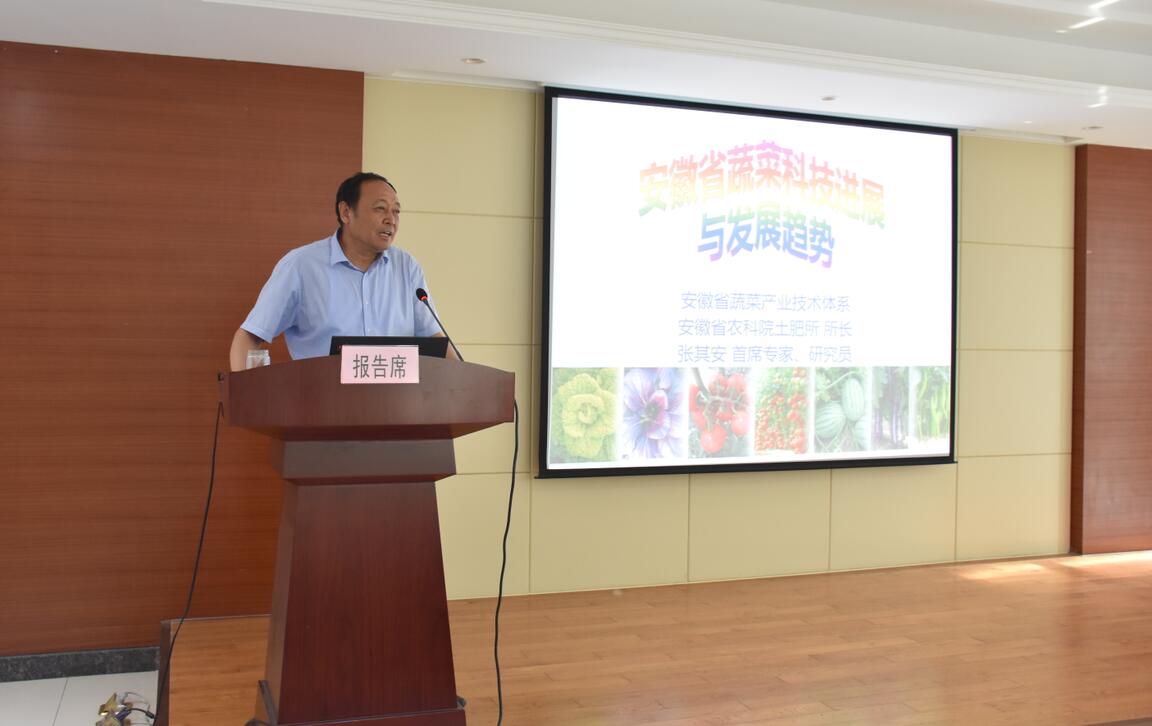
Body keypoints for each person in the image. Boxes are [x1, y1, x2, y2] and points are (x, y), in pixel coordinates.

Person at [229, 172, 453, 371]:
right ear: (346, 212)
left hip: (396, 402)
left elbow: (436, 341)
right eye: (380, 209)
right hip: (322, 400)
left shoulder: (407, 267)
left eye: (396, 211)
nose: (391, 220)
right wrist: (244, 394)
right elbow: (250, 336)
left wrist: (465, 387)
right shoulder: (301, 266)